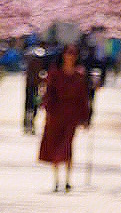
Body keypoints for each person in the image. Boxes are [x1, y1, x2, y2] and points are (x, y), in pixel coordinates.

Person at [37, 42, 90, 191]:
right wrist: (46, 109)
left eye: (73, 54)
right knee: (54, 145)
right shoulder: (55, 72)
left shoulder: (79, 75)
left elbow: (83, 97)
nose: (70, 57)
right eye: (68, 53)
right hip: (56, 114)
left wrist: (85, 117)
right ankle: (56, 180)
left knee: (67, 146)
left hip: (71, 115)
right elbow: (49, 93)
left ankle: (67, 179)